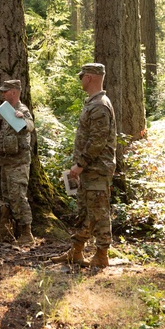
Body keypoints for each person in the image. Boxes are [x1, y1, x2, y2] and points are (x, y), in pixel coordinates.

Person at [54, 63, 116, 268]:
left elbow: (97, 140)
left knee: (98, 212)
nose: (80, 80)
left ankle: (101, 255)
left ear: (89, 78)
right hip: (90, 169)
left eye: (82, 76)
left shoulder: (99, 105)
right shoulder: (94, 103)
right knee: (85, 211)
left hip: (96, 169)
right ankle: (76, 251)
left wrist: (80, 164)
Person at [0, 79, 35, 246]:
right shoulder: (7, 112)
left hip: (19, 163)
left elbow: (30, 125)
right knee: (8, 197)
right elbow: (8, 135)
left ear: (13, 92)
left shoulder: (21, 110)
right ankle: (10, 232)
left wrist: (23, 118)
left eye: (5, 91)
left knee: (19, 197)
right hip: (6, 163)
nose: (3, 94)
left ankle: (27, 234)